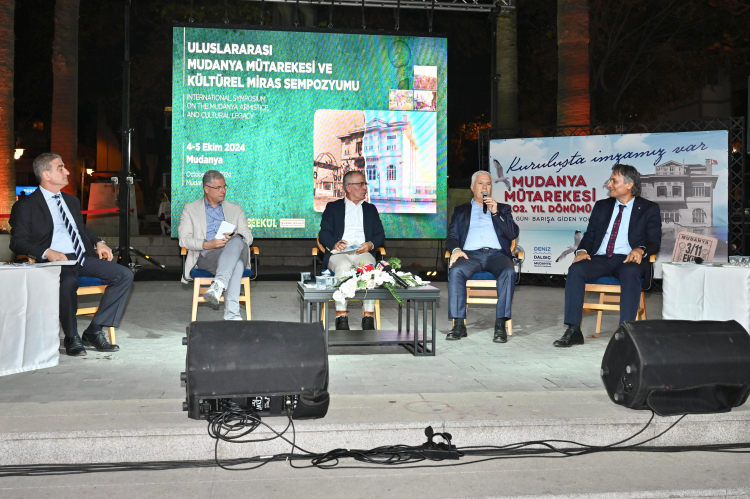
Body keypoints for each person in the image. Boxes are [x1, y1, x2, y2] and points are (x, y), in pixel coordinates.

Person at [9, 153, 133, 356]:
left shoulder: (71, 201)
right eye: (61, 168)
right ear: (46, 174)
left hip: (82, 257)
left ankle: (94, 331)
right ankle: (71, 336)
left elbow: (81, 231)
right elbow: (17, 241)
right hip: (54, 262)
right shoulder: (25, 205)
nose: (67, 171)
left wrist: (99, 242)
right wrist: (47, 252)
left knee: (124, 275)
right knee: (67, 282)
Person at [554, 163, 661, 347]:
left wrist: (640, 249)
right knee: (576, 269)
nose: (609, 184)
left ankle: (625, 333)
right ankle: (573, 330)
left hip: (627, 259)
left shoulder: (649, 208)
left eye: (614, 181)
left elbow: (654, 241)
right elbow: (590, 236)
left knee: (630, 272)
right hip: (600, 259)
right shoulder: (602, 206)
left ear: (629, 184)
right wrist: (582, 251)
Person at [446, 170, 520, 343]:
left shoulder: (503, 208)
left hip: (497, 255)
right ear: (472, 187)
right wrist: (455, 249)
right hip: (469, 255)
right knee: (456, 271)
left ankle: (500, 324)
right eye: (480, 183)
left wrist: (496, 213)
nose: (485, 187)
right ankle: (459, 325)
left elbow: (512, 233)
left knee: (508, 272)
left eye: (488, 184)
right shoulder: (461, 210)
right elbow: (452, 236)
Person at [179, 170, 253, 320]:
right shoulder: (190, 209)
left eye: (224, 187)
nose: (223, 191)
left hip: (237, 250)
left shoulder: (235, 208)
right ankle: (232, 315)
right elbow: (184, 240)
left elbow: (248, 237)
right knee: (236, 265)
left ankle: (218, 283)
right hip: (208, 255)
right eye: (219, 187)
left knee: (236, 240)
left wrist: (235, 235)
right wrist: (208, 244)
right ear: (207, 189)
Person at [318, 170, 385, 330]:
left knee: (369, 268)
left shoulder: (371, 209)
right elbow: (324, 233)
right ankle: (341, 316)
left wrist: (370, 244)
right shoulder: (333, 207)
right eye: (361, 184)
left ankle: (368, 318)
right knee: (344, 267)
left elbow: (380, 234)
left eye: (365, 184)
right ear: (348, 187)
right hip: (339, 254)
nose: (365, 188)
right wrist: (334, 243)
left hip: (363, 252)